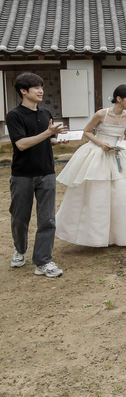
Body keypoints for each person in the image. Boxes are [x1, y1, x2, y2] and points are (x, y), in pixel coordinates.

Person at [55, 85, 126, 247]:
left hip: (118, 155)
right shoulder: (101, 114)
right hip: (98, 154)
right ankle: (95, 236)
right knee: (98, 194)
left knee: (121, 194)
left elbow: (123, 133)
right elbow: (87, 131)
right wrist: (102, 143)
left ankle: (119, 234)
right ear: (119, 99)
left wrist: (120, 143)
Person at [7, 72, 67, 277]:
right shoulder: (14, 115)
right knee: (19, 218)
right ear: (23, 91)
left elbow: (45, 140)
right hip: (22, 175)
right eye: (36, 87)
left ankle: (43, 261)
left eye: (41, 86)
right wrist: (48, 134)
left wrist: (56, 141)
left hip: (47, 172)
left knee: (48, 219)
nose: (41, 90)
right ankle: (20, 249)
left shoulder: (46, 113)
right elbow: (22, 144)